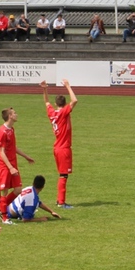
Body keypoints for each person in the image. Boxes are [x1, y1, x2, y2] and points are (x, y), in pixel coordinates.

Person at [41, 79, 78, 208]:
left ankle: (60, 201)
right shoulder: (63, 112)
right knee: (63, 175)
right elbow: (75, 100)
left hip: (57, 147)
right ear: (64, 104)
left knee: (63, 174)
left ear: (56, 103)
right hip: (64, 148)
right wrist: (68, 86)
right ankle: (61, 202)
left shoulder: (52, 113)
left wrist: (45, 89)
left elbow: (46, 102)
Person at [0, 107, 34, 223]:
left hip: (12, 164)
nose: (16, 115)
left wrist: (26, 156)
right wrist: (10, 167)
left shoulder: (11, 129)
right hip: (5, 166)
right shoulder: (2, 131)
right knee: (4, 191)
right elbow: (1, 152)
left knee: (18, 189)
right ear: (10, 116)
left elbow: (13, 147)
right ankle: (4, 217)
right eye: (14, 113)